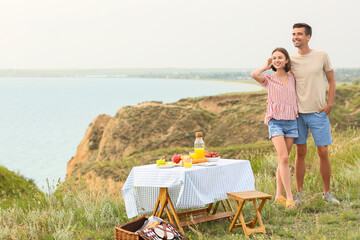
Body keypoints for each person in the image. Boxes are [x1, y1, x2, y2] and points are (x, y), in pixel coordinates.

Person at [290, 23, 339, 205]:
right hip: (298, 114)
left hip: (318, 112)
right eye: (294, 34)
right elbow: (281, 81)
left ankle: (327, 194)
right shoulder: (291, 60)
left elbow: (332, 80)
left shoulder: (322, 55)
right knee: (300, 151)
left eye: (299, 34)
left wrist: (330, 104)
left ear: (308, 36)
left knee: (323, 151)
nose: (295, 37)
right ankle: (299, 194)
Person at [250, 47, 298, 209]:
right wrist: (266, 66)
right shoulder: (269, 78)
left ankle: (279, 195)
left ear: (286, 60)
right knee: (284, 158)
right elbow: (254, 75)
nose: (277, 60)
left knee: (282, 160)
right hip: (275, 122)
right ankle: (290, 198)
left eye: (280, 57)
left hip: (291, 121)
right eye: (274, 58)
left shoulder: (293, 77)